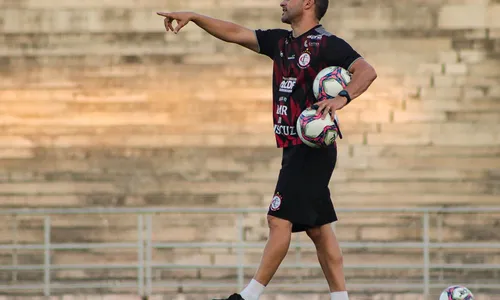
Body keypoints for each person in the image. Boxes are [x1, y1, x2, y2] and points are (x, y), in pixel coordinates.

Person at [157, 0, 377, 299]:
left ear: (309, 3)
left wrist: (342, 98)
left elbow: (366, 70)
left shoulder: (327, 44)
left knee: (277, 219)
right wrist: (195, 17)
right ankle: (341, 297)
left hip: (311, 148)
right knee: (319, 230)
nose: (282, 1)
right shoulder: (281, 42)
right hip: (293, 148)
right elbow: (235, 32)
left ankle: (248, 296)